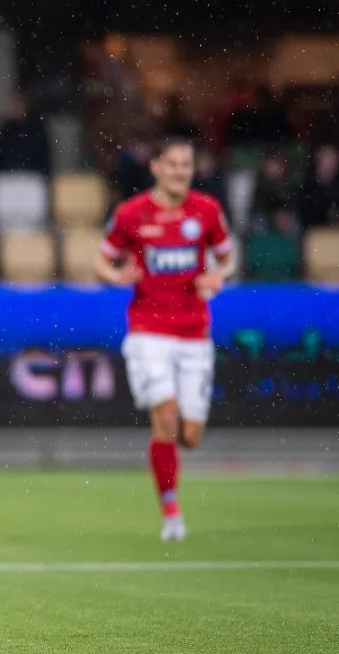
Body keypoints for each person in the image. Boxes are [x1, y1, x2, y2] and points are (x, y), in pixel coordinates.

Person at [94, 137, 236, 542]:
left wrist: (218, 276)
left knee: (189, 436)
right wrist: (116, 276)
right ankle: (171, 513)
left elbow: (227, 257)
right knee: (166, 417)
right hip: (148, 331)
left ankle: (171, 484)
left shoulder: (206, 210)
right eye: (172, 164)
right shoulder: (131, 213)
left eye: (185, 165)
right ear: (156, 167)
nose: (179, 172)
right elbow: (101, 259)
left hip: (194, 332)